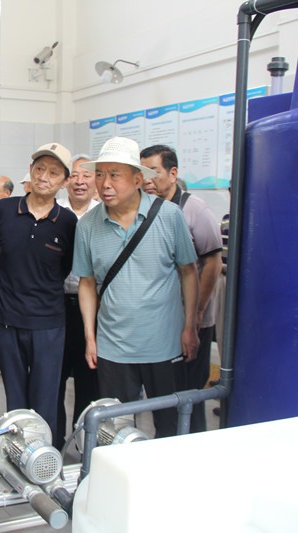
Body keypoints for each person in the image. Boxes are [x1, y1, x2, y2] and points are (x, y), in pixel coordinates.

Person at [73, 137, 199, 438]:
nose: (105, 184)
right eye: (100, 174)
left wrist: (190, 326)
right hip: (113, 348)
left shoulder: (169, 216)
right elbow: (87, 283)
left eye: (114, 175)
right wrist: (90, 337)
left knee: (169, 426)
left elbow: (188, 272)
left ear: (138, 179)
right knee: (114, 429)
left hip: (164, 345)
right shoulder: (87, 225)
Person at [0, 142, 77, 441]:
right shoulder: (4, 209)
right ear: (30, 170)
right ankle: (16, 455)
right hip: (7, 320)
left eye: (54, 173)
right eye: (39, 169)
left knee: (45, 401)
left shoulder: (67, 221)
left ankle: (43, 459)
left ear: (64, 181)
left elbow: (64, 267)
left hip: (48, 324)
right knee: (15, 400)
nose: (44, 177)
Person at [141, 145, 223, 433]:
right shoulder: (144, 208)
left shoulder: (193, 209)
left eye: (154, 172)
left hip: (192, 321)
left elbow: (212, 261)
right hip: (159, 320)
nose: (147, 180)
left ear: (173, 173)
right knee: (164, 393)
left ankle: (192, 445)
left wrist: (196, 312)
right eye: (143, 172)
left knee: (189, 394)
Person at [55, 153, 100, 448]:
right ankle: (55, 442)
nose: (80, 181)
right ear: (65, 181)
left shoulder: (103, 215)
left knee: (89, 380)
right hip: (57, 308)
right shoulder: (55, 212)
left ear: (96, 181)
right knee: (54, 379)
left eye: (86, 175)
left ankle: (85, 443)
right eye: (74, 175)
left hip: (93, 311)